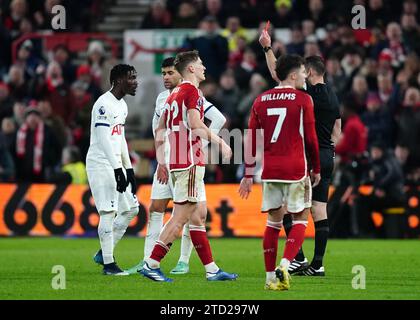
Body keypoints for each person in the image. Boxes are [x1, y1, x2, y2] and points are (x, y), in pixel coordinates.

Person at [140, 50, 237, 282]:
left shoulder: (173, 95)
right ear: (191, 68)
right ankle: (152, 263)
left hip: (176, 161)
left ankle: (211, 269)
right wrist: (220, 141)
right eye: (200, 64)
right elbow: (195, 124)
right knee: (181, 217)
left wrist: (163, 159)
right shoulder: (192, 91)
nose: (204, 67)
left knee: (196, 215)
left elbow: (160, 128)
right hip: (189, 161)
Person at [259, 27, 341, 276]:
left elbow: (279, 76)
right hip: (328, 155)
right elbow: (338, 128)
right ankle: (317, 264)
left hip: (308, 157)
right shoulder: (333, 96)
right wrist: (330, 149)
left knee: (288, 208)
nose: (301, 74)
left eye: (304, 71)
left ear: (311, 72)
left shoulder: (309, 94)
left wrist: (267, 48)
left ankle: (296, 258)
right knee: (319, 209)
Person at [239, 54, 321, 291]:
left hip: (270, 170)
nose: (306, 76)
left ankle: (268, 278)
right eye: (304, 72)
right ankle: (285, 265)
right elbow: (312, 139)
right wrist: (316, 167)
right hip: (295, 167)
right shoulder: (304, 99)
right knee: (301, 219)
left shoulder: (260, 99)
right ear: (293, 75)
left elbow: (251, 139)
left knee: (273, 223)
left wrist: (247, 173)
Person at [87, 64, 140, 276]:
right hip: (101, 163)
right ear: (118, 81)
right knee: (108, 212)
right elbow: (103, 139)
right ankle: (109, 265)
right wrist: (118, 169)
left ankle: (103, 252)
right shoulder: (103, 104)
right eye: (131, 78)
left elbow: (119, 139)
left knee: (131, 209)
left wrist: (128, 168)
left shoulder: (122, 105)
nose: (136, 82)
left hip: (116, 163)